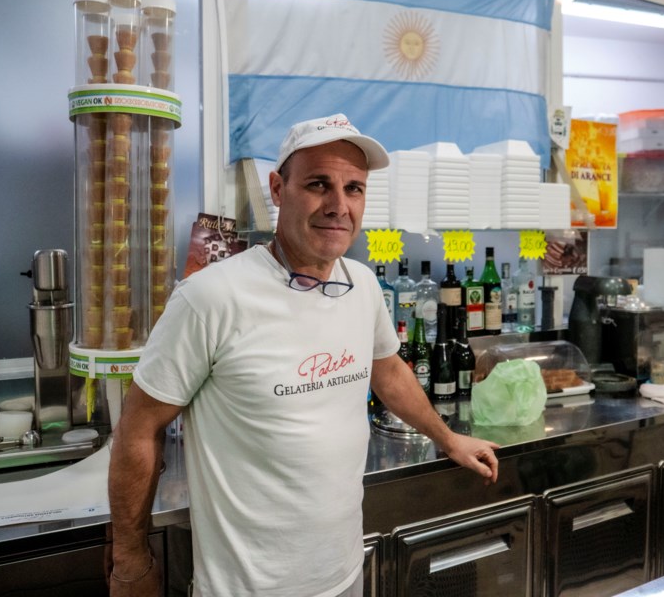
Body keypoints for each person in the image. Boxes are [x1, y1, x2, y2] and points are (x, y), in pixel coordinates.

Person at [107, 113, 501, 596]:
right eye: (319, 184)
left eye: (354, 188)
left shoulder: (361, 288)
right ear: (277, 189)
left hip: (343, 578)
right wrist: (129, 559)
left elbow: (388, 371)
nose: (339, 205)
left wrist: (447, 437)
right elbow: (138, 428)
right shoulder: (209, 297)